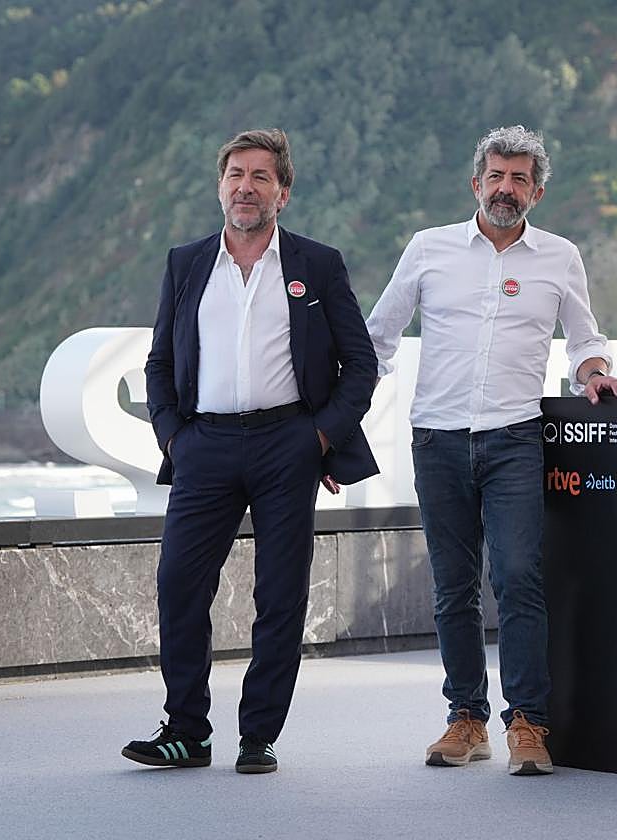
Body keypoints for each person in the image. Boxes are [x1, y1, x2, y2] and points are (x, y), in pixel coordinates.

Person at [366, 125, 617, 776]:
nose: (505, 188)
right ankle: (466, 719)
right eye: (496, 175)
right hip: (436, 436)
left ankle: (528, 724)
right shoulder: (428, 250)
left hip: (516, 435)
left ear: (536, 192)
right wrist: (335, 420)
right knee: (453, 588)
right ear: (475, 183)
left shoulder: (559, 256)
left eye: (519, 179)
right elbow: (377, 337)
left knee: (518, 577)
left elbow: (583, 339)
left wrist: (595, 372)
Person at [124, 128, 379, 774]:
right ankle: (187, 730)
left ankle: (258, 735)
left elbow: (361, 365)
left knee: (280, 594)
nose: (246, 185)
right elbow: (158, 362)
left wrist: (319, 437)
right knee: (179, 583)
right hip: (202, 444)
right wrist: (173, 436)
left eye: (261, 176)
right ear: (221, 187)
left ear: (283, 193)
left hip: (287, 443)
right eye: (236, 173)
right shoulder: (186, 263)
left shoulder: (316, 265)